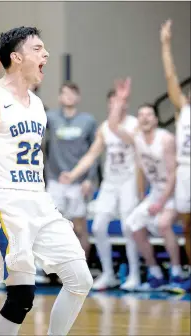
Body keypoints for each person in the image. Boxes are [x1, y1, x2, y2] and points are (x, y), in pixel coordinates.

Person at [0, 27, 93, 336]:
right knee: (22, 296)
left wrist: (49, 207)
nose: (45, 55)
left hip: (39, 199)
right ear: (17, 57)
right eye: (38, 49)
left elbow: (35, 163)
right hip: (4, 201)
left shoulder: (39, 105)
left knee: (80, 279)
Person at [108, 78, 185, 291]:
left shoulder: (166, 139)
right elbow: (113, 126)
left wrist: (160, 203)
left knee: (163, 224)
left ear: (156, 119)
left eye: (148, 115)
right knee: (132, 224)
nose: (144, 118)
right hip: (157, 193)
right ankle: (154, 271)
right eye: (140, 115)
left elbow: (173, 175)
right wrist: (120, 102)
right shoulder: (136, 137)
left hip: (174, 192)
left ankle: (177, 272)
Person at [59, 89, 140, 291]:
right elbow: (91, 155)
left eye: (120, 102)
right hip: (110, 183)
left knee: (129, 227)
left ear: (126, 104)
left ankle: (134, 275)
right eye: (113, 103)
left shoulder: (134, 124)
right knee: (98, 227)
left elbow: (130, 139)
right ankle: (108, 274)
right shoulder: (104, 128)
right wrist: (73, 174)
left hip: (129, 181)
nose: (116, 106)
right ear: (108, 105)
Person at [46, 82, 98, 258]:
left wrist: (89, 179)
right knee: (53, 226)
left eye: (72, 93)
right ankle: (56, 271)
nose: (68, 96)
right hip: (55, 179)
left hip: (78, 181)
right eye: (64, 93)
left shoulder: (88, 121)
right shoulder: (50, 118)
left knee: (79, 227)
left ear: (78, 97)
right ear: (60, 97)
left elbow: (94, 152)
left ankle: (82, 268)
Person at [161, 19, 190, 293]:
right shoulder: (183, 108)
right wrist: (166, 44)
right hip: (184, 171)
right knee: (188, 228)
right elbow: (171, 77)